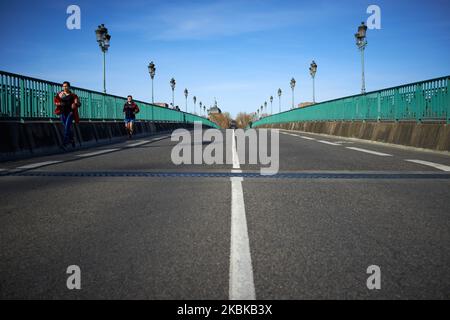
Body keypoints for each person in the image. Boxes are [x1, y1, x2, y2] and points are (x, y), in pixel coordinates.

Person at [54, 81, 81, 149]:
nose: (64, 87)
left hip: (70, 113)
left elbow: (79, 104)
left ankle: (64, 143)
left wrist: (75, 104)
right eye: (63, 86)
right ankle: (72, 139)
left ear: (69, 87)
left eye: (66, 86)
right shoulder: (60, 94)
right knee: (67, 128)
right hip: (62, 113)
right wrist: (59, 104)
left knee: (67, 127)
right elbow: (55, 102)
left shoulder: (73, 95)